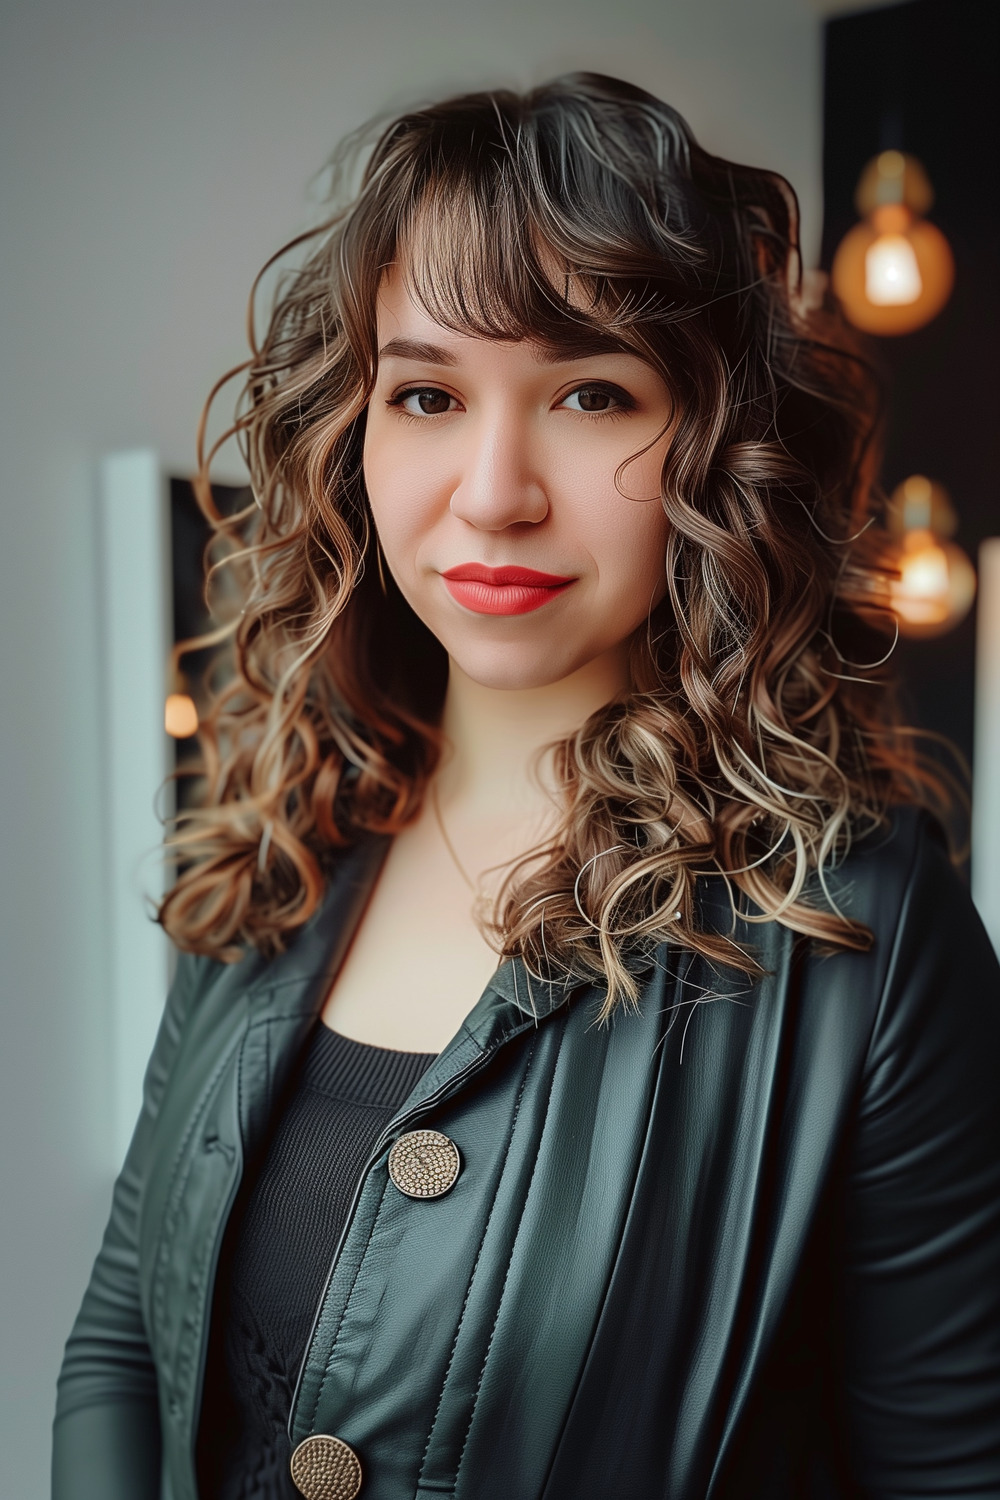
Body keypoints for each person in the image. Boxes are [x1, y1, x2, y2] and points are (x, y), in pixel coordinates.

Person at [53, 74, 1000, 1500]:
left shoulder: (859, 931)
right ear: (352, 434)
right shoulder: (272, 845)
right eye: (427, 392)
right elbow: (124, 1342)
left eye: (591, 392)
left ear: (711, 446)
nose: (494, 489)